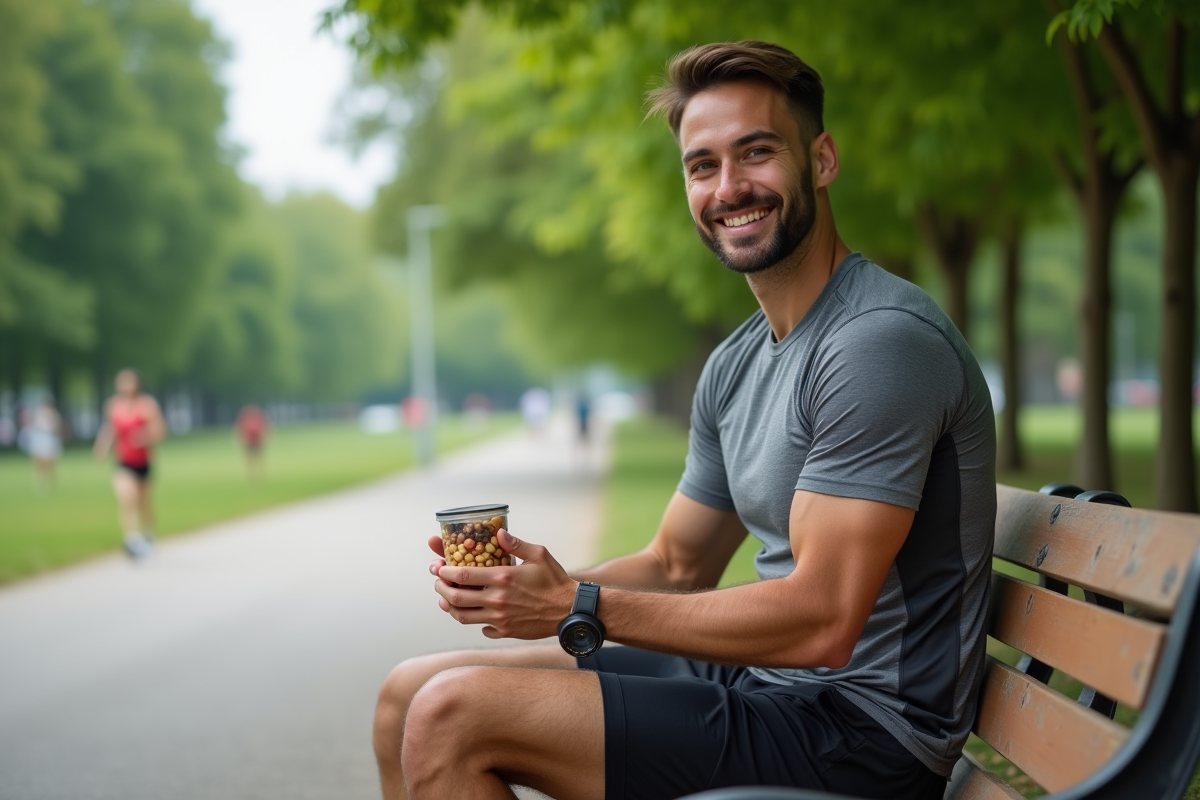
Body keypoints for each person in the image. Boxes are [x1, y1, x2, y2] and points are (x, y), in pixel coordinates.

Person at [373, 41, 996, 800]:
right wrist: (534, 587)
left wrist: (574, 606)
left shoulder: (878, 344)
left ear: (822, 160)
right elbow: (676, 565)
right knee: (407, 693)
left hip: (863, 730)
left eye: (757, 153)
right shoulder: (736, 363)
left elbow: (825, 622)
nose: (730, 187)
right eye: (703, 166)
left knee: (452, 713)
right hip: (771, 687)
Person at [93, 369, 166, 560]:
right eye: (122, 382)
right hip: (123, 462)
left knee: (144, 503)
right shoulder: (113, 406)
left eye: (129, 382)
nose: (125, 386)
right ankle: (132, 540)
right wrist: (101, 447)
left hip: (143, 461)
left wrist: (144, 437)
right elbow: (110, 429)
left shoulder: (147, 405)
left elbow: (160, 431)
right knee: (127, 498)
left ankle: (148, 535)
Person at [24, 397, 65, 491]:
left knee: (50, 462)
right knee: (39, 461)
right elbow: (34, 425)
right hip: (40, 438)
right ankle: (40, 481)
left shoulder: (54, 414)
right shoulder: (39, 413)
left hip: (50, 439)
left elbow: (56, 427)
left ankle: (48, 481)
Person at [235, 404, 269, 480]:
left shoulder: (258, 418)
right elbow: (240, 429)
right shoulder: (246, 419)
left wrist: (264, 439)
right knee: (250, 459)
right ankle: (251, 474)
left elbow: (264, 428)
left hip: (257, 441)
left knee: (257, 458)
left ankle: (258, 474)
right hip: (249, 441)